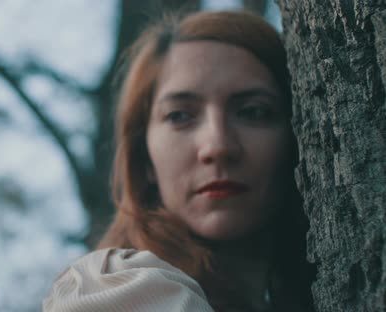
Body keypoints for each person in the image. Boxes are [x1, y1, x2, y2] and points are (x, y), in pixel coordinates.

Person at [43, 10, 315, 312]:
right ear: (144, 158)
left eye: (253, 111)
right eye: (180, 116)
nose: (218, 146)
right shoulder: (112, 289)